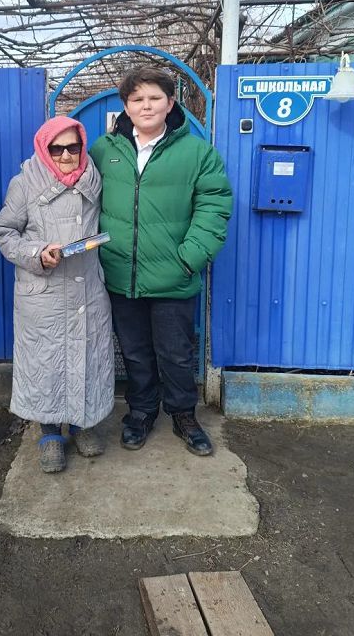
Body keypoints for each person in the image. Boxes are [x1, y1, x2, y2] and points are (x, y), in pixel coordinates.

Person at [90, 66, 232, 455]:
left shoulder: (197, 153)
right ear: (126, 106)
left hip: (174, 276)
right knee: (135, 352)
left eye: (155, 98)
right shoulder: (104, 150)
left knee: (176, 353)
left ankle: (184, 415)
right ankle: (140, 413)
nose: (146, 105)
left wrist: (189, 259)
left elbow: (214, 207)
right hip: (121, 275)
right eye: (137, 99)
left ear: (170, 103)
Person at [0, 116, 114, 474]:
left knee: (86, 355)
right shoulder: (25, 183)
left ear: (82, 146)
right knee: (45, 363)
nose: (65, 155)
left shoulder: (95, 179)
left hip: (87, 288)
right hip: (43, 292)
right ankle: (49, 434)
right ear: (44, 150)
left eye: (72, 147)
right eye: (56, 148)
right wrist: (37, 253)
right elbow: (4, 232)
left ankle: (81, 423)